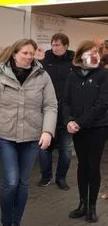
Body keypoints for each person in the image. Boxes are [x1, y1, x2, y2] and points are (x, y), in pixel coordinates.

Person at [0, 39, 57, 226]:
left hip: (32, 137)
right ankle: (6, 223)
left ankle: (16, 223)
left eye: (31, 53)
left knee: (23, 182)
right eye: (24, 53)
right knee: (11, 180)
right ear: (14, 54)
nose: (29, 57)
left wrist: (48, 131)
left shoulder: (42, 76)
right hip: (5, 136)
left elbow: (50, 105)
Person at [64, 41, 108, 223]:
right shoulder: (72, 75)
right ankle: (82, 204)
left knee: (93, 165)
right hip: (77, 128)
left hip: (97, 127)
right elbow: (65, 100)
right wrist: (68, 121)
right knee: (82, 165)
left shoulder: (103, 74)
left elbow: (102, 103)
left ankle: (92, 207)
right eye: (91, 53)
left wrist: (79, 122)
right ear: (81, 55)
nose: (95, 56)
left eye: (96, 53)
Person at [38, 33, 74, 190]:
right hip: (47, 111)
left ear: (66, 46)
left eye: (58, 45)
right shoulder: (45, 61)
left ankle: (61, 178)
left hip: (67, 112)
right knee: (45, 146)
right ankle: (46, 176)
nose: (54, 48)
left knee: (66, 148)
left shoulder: (74, 62)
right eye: (53, 45)